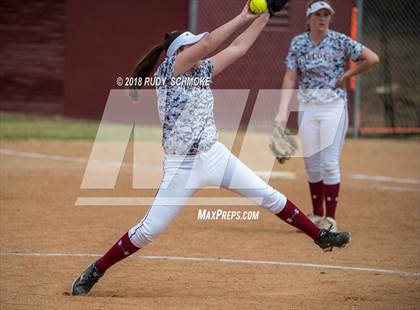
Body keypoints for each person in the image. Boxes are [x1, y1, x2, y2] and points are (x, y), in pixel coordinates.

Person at [71, 1, 351, 296]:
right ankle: (97, 269)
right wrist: (243, 15)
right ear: (179, 51)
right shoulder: (170, 69)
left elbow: (240, 47)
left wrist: (267, 14)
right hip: (182, 165)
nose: (198, 46)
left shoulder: (201, 70)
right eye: (190, 44)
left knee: (268, 195)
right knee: (149, 230)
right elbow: (206, 46)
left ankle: (319, 235)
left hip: (214, 154)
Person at [274, 0, 379, 232]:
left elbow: (372, 58)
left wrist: (349, 74)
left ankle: (330, 219)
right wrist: (283, 110)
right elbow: (290, 77)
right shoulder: (299, 43)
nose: (322, 18)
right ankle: (317, 214)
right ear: (308, 18)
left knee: (329, 163)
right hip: (307, 108)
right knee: (312, 164)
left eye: (326, 14)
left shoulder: (339, 40)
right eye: (317, 14)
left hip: (333, 107)